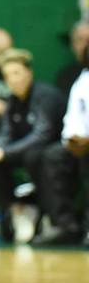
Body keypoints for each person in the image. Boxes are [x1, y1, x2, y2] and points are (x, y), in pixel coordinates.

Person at [0, 48, 66, 243]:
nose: (12, 80)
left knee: (34, 156)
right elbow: (6, 133)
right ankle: (14, 211)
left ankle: (47, 215)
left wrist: (4, 152)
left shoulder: (45, 96)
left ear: (29, 72)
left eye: (16, 73)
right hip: (27, 152)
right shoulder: (13, 101)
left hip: (55, 153)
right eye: (7, 75)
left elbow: (42, 134)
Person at [34, 47, 89, 246]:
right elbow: (73, 118)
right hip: (82, 145)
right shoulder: (82, 82)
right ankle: (64, 224)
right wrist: (72, 139)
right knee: (52, 156)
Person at [55, 20, 89, 96]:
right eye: (80, 40)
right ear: (72, 45)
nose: (85, 45)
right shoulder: (66, 77)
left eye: (88, 40)